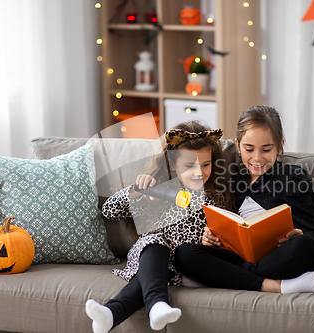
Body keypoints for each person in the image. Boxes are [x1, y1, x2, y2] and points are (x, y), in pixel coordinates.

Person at [85, 121, 230, 332]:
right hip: (153, 260)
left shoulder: (215, 196)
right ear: (172, 165)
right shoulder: (157, 190)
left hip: (186, 267)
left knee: (154, 273)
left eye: (205, 164)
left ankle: (116, 312)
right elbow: (109, 211)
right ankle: (148, 307)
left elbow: (227, 233)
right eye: (190, 166)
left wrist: (212, 239)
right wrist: (134, 191)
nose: (199, 172)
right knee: (155, 243)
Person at [174, 105, 314, 294]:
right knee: (185, 253)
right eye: (249, 149)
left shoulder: (291, 177)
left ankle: (228, 277)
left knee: (307, 246)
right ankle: (273, 285)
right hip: (239, 256)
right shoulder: (231, 181)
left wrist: (300, 234)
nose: (257, 158)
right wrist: (210, 237)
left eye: (266, 149)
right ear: (238, 146)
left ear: (280, 146)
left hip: (277, 257)